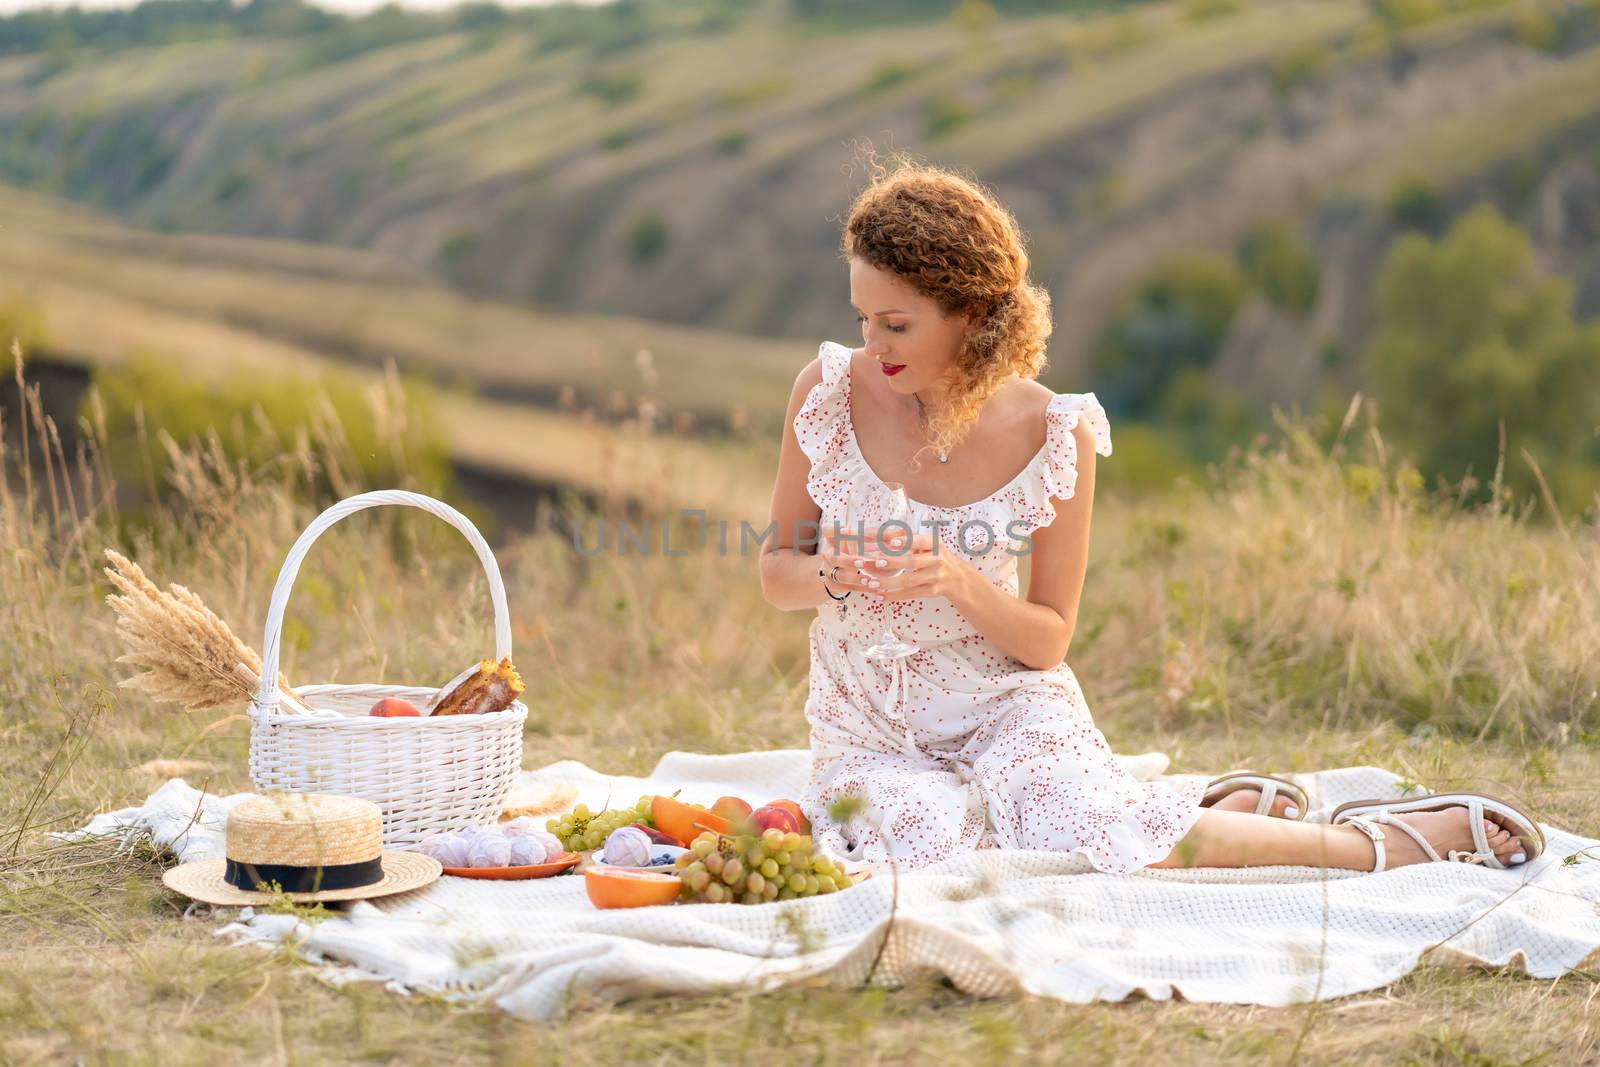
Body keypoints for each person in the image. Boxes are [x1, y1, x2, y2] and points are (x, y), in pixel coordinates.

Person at [756, 155, 1541, 875]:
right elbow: (776, 574)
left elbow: (1048, 639)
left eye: (897, 324)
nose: (874, 343)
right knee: (920, 844)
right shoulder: (825, 393)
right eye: (864, 318)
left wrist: (960, 582)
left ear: (970, 313)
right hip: (869, 726)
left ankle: (1379, 843)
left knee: (1075, 821)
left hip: (1005, 703)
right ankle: (1197, 819)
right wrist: (832, 571)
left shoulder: (1053, 431)